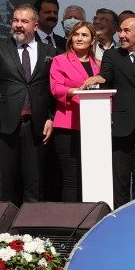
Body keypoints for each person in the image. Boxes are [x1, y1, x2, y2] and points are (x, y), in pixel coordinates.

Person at [0, 4, 54, 204]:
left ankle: (32, 222)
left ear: (35, 26)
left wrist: (51, 117)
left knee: (35, 181)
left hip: (37, 124)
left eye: (24, 21)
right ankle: (4, 222)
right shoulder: (0, 47)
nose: (18, 25)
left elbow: (52, 89)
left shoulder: (50, 51)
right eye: (15, 20)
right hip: (7, 122)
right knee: (4, 181)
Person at [103, 14, 135, 206]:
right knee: (121, 177)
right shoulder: (112, 55)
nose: (121, 35)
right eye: (120, 31)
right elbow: (105, 74)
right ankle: (120, 214)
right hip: (122, 125)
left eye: (126, 31)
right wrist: (99, 79)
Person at [48, 22, 102, 201]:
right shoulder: (59, 60)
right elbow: (56, 88)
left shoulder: (99, 64)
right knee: (71, 177)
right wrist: (77, 91)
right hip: (68, 124)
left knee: (92, 174)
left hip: (93, 125)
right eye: (76, 34)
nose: (79, 38)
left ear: (92, 40)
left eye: (84, 35)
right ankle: (70, 217)